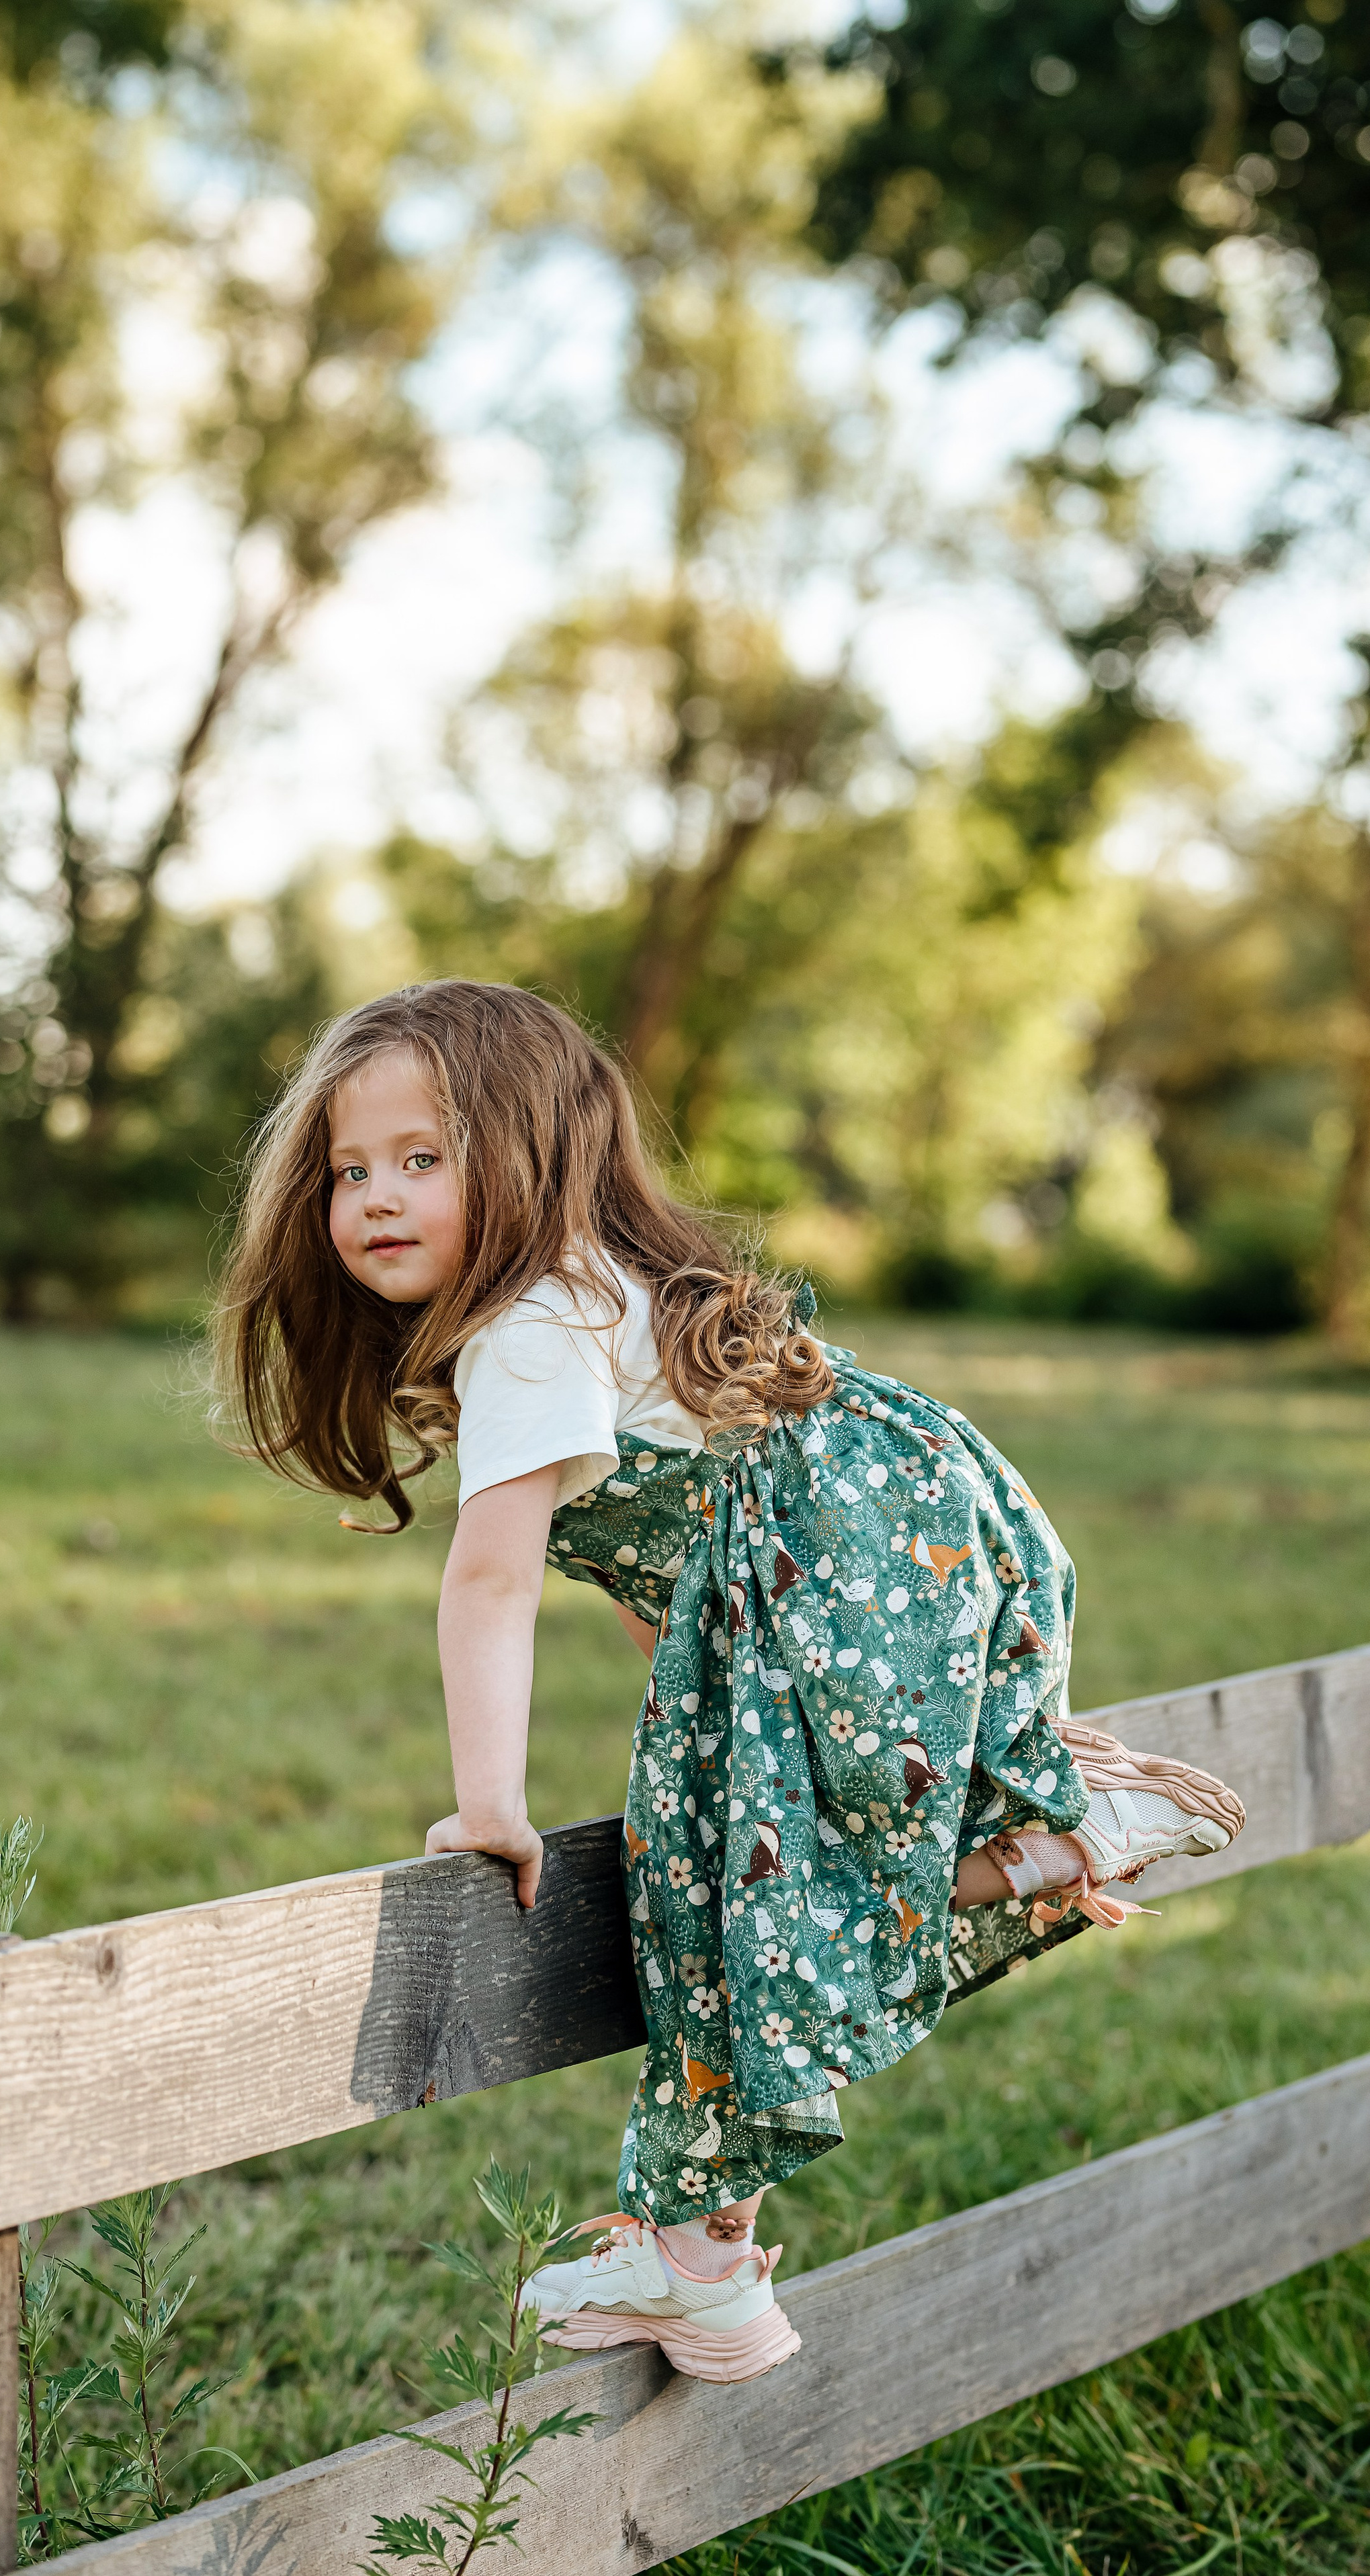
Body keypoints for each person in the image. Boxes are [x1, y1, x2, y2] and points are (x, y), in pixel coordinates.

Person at [213, 980, 1246, 2385]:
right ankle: (707, 2268)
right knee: (728, 1871)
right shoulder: (594, 1301)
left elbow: (491, 1578)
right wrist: (704, 1755)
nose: (374, 1197)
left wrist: (488, 1807)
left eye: (423, 1157)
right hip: (908, 1536)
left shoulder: (529, 1324)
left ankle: (1068, 1839)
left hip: (857, 1565)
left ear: (534, 1159)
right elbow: (684, 1570)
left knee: (736, 1889)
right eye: (348, 1169)